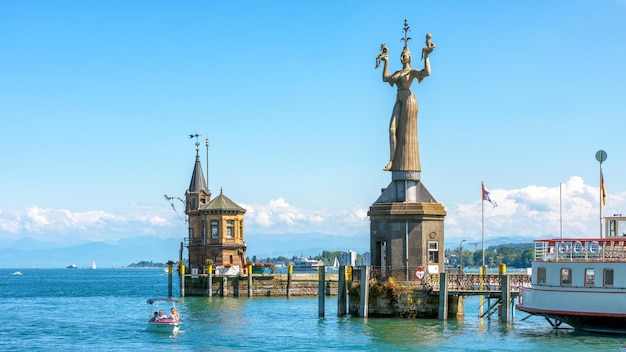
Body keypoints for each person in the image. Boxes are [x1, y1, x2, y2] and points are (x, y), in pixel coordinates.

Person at [377, 27, 434, 172]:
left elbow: (426, 72)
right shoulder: (397, 73)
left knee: (407, 134)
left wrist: (426, 56)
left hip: (409, 100)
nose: (403, 57)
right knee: (392, 129)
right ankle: (392, 161)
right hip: (399, 99)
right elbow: (385, 78)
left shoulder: (412, 71)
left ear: (410, 57)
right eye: (402, 55)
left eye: (406, 55)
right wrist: (386, 61)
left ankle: (407, 164)